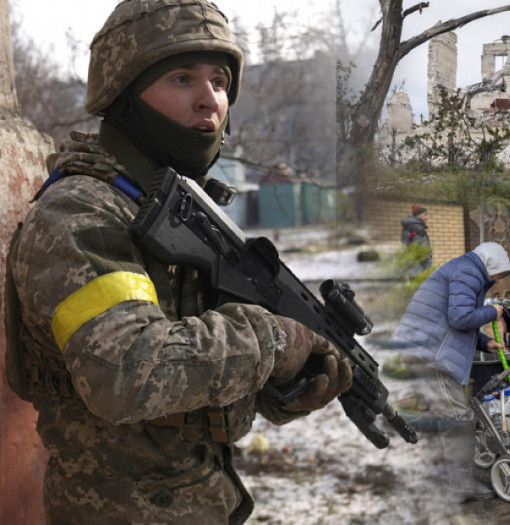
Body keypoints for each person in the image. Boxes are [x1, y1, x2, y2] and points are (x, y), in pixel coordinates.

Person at [3, 1, 353, 522]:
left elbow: (192, 370)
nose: (209, 101)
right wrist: (275, 340)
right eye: (182, 78)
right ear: (123, 94)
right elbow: (125, 373)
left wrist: (283, 387)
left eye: (220, 81)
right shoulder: (81, 211)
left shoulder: (175, 209)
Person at [391, 242, 510, 502]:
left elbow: (453, 322)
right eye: (500, 274)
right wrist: (494, 311)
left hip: (422, 350)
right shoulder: (468, 273)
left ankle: (440, 479)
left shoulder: (463, 270)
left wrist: (484, 343)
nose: (498, 280)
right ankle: (459, 486)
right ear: (491, 264)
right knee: (458, 418)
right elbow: (459, 317)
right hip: (432, 355)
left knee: (441, 418)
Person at [400, 204, 432, 273]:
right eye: (425, 214)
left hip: (410, 268)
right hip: (420, 270)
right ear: (418, 215)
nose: (427, 217)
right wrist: (428, 269)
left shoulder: (406, 228)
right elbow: (424, 252)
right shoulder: (418, 229)